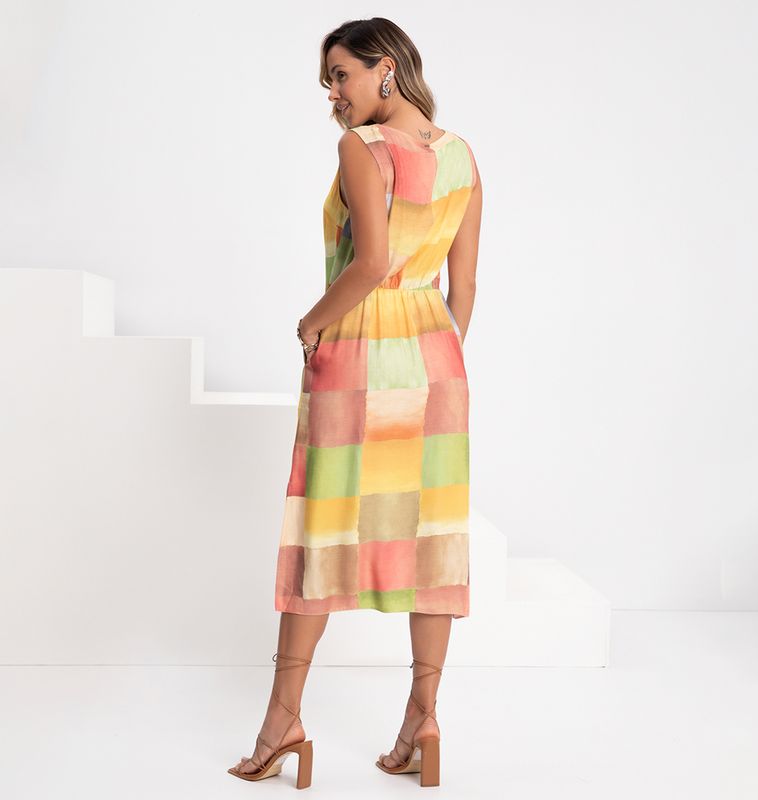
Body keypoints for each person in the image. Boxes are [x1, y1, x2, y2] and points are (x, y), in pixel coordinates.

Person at [229, 16, 482, 789]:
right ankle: (422, 720)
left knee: (322, 527)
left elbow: (370, 262)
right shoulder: (461, 155)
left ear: (387, 69)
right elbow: (464, 288)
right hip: (436, 360)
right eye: (328, 82)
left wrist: (312, 323)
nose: (333, 95)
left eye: (341, 75)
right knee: (432, 540)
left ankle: (282, 723)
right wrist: (432, 356)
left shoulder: (365, 149)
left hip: (358, 351)